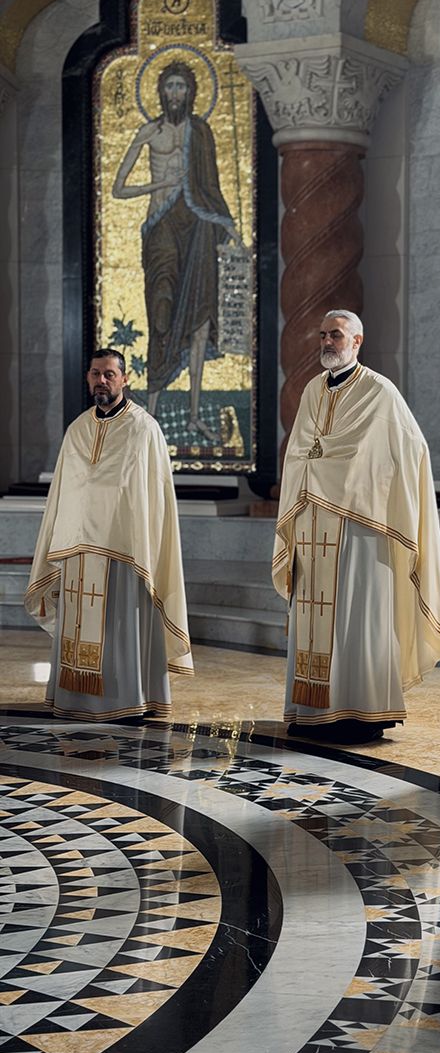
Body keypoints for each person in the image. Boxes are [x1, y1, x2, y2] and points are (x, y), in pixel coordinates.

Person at [274, 310, 440, 741]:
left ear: (357, 341)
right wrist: (318, 470)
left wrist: (334, 471)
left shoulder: (379, 392)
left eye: (336, 335)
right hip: (312, 525)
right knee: (315, 621)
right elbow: (299, 452)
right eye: (323, 335)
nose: (327, 342)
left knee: (357, 618)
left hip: (360, 529)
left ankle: (359, 712)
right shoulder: (313, 389)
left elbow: (408, 452)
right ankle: (311, 709)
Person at [25, 349, 192, 720]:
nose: (101, 381)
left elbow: (152, 498)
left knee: (120, 628)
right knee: (77, 625)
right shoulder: (77, 429)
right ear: (88, 378)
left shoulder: (144, 429)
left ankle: (126, 699)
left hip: (124, 551)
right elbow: (64, 492)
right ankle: (73, 699)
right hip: (76, 550)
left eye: (109, 374)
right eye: (95, 374)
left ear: (125, 379)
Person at [113, 60, 238, 440]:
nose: (175, 93)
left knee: (200, 317)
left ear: (191, 92)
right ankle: (150, 413)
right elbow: (118, 188)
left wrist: (230, 228)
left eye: (181, 86)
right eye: (170, 86)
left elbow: (211, 187)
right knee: (161, 312)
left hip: (198, 226)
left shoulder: (200, 132)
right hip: (161, 227)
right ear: (160, 91)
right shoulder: (150, 131)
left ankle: (194, 415)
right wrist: (158, 186)